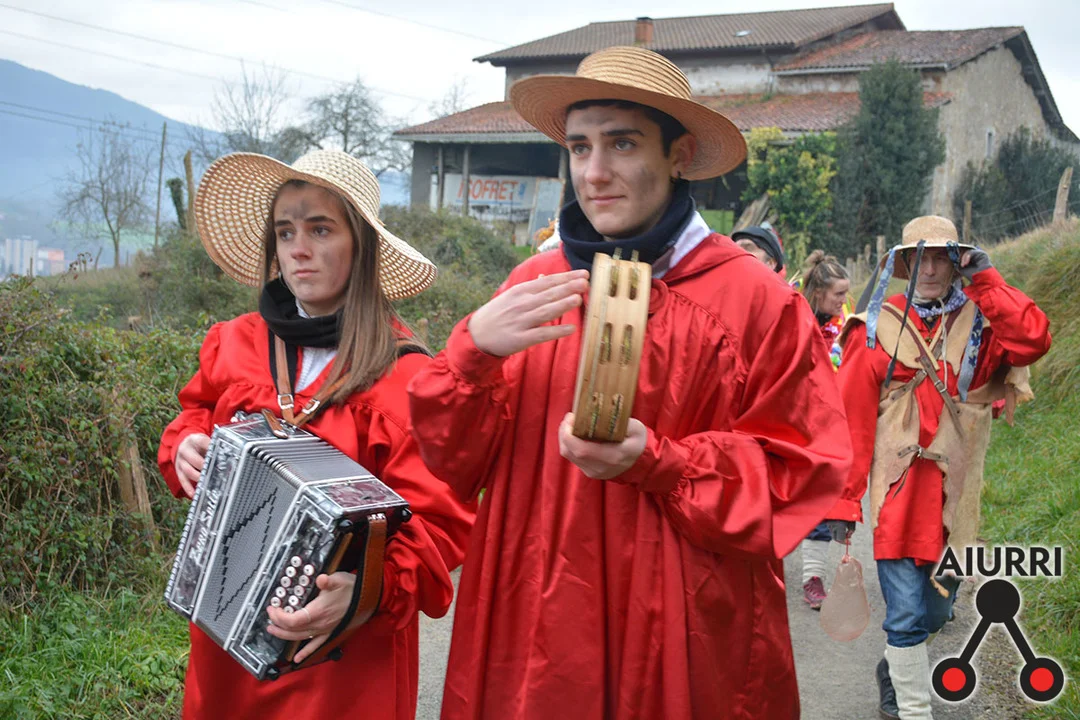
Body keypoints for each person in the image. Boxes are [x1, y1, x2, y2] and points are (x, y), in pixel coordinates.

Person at [408, 46, 851, 719]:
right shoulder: (532, 286)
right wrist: (470, 357)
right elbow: (454, 464)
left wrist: (663, 463)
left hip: (680, 630)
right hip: (534, 627)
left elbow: (802, 471)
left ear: (680, 154)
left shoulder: (756, 301)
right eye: (579, 147)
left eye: (622, 143)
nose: (594, 172)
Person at [157, 150, 475, 720]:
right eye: (285, 232)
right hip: (225, 641)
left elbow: (442, 524)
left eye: (320, 229)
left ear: (362, 245)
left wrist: (366, 589)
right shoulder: (235, 342)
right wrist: (184, 445)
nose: (298, 248)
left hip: (340, 664)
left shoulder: (407, 378)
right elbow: (195, 411)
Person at [831, 215, 1051, 719]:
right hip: (897, 493)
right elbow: (850, 421)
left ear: (955, 264)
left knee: (934, 612)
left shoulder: (980, 324)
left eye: (939, 258)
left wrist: (987, 280)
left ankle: (895, 666)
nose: (928, 269)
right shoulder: (874, 328)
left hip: (956, 498)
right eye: (919, 259)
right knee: (907, 615)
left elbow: (1032, 340)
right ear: (905, 266)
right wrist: (843, 501)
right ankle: (914, 708)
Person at [793, 250, 853, 608]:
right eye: (838, 294)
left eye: (846, 293)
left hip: (829, 426)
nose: (844, 300)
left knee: (822, 503)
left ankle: (811, 578)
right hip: (793, 424)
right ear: (818, 293)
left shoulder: (843, 325)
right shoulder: (792, 319)